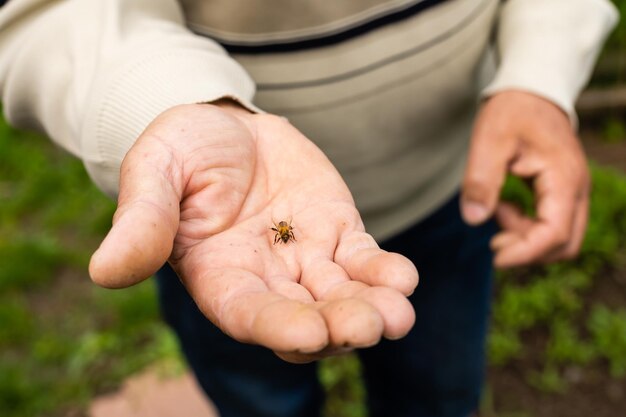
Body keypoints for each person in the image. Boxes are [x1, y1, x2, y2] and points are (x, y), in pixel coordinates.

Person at [0, 0, 618, 416]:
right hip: (219, 227)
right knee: (257, 393)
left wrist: (539, 75)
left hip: (448, 190)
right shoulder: (266, 225)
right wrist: (167, 100)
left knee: (439, 387)